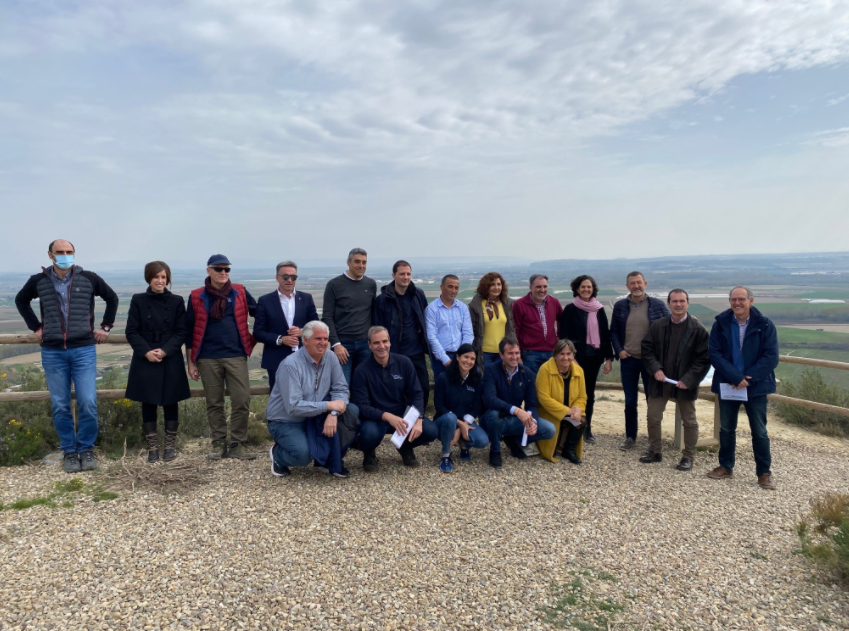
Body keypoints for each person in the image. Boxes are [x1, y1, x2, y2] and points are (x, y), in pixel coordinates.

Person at [15, 239, 119, 473]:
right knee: (60, 404)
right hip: (52, 351)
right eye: (60, 252)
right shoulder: (38, 281)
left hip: (83, 349)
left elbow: (112, 298)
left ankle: (86, 448)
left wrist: (106, 327)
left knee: (88, 401)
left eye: (69, 252)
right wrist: (36, 327)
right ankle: (69, 451)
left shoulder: (89, 278)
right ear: (50, 255)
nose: (65, 255)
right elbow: (21, 300)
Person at [186, 254, 258, 461]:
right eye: (219, 269)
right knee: (214, 402)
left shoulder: (240, 291)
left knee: (242, 399)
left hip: (236, 354)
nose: (224, 273)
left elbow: (259, 312)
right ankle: (219, 444)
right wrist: (190, 362)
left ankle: (236, 444)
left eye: (227, 269)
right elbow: (189, 331)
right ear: (209, 271)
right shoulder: (196, 296)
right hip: (207, 357)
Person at [707, 286, 779, 490]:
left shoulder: (765, 324)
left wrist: (749, 378)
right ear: (729, 301)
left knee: (760, 431)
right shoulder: (721, 324)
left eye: (741, 299)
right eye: (733, 299)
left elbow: (771, 356)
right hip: (729, 383)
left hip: (755, 386)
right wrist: (735, 377)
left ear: (751, 300)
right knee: (727, 428)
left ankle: (764, 473)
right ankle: (725, 466)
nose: (737, 303)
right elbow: (715, 353)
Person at [265, 321, 358, 478]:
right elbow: (293, 407)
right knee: (302, 455)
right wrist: (329, 405)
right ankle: (278, 455)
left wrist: (333, 414)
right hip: (286, 421)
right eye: (318, 339)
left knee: (352, 411)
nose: (323, 343)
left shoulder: (330, 357)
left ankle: (328, 460)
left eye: (325, 339)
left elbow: (341, 389)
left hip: (315, 416)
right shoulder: (291, 365)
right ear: (305, 340)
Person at [124, 261, 192, 463]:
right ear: (149, 278)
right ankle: (153, 447)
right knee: (148, 401)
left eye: (164, 277)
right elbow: (131, 331)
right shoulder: (138, 300)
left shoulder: (178, 301)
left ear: (168, 279)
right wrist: (146, 352)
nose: (160, 281)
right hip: (145, 356)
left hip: (169, 355)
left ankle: (169, 446)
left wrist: (164, 351)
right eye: (156, 277)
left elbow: (182, 331)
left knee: (171, 400)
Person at [639, 289, 710, 471]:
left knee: (690, 421)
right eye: (674, 301)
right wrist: (655, 369)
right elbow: (647, 350)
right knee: (653, 417)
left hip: (685, 384)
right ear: (669, 303)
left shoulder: (698, 330)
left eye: (682, 301)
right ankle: (655, 451)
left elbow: (703, 359)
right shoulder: (657, 326)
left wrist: (689, 379)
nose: (678, 304)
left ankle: (688, 457)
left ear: (687, 303)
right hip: (660, 381)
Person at [351, 326, 438, 472]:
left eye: (385, 341)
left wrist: (419, 418)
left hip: (401, 415)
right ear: (369, 345)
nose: (382, 346)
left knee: (430, 431)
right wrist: (386, 416)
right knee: (368, 435)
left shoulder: (404, 363)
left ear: (390, 342)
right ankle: (369, 452)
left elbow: (416, 393)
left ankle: (405, 446)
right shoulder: (361, 370)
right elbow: (362, 405)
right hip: (375, 418)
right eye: (376, 343)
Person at [609, 271, 670, 451]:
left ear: (645, 283)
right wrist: (619, 350)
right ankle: (630, 437)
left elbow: (671, 323)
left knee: (652, 402)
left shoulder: (657, 305)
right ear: (627, 286)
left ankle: (653, 440)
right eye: (632, 283)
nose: (636, 286)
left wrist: (690, 320)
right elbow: (613, 331)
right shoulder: (620, 306)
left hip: (651, 362)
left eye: (639, 283)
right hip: (629, 360)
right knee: (630, 402)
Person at [481, 336, 556, 469]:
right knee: (494, 415)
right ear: (501, 355)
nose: (514, 357)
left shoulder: (527, 374)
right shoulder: (490, 370)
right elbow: (490, 399)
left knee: (549, 430)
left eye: (517, 353)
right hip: (493, 418)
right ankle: (495, 449)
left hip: (515, 420)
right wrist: (516, 410)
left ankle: (513, 440)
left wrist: (533, 422)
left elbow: (531, 403)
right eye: (510, 353)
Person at [557, 275, 614, 443]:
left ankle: (586, 428)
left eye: (589, 287)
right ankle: (567, 427)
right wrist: (569, 357)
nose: (586, 290)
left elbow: (605, 335)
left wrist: (609, 358)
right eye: (583, 287)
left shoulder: (599, 309)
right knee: (568, 393)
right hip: (574, 359)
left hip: (594, 358)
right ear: (576, 289)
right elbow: (563, 336)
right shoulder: (570, 309)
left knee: (588, 394)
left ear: (593, 289)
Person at [373, 260, 431, 407]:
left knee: (423, 387)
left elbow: (424, 319)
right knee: (396, 390)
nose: (406, 277)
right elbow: (377, 327)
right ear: (394, 275)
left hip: (416, 351)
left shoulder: (418, 294)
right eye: (402, 274)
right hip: (394, 353)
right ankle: (398, 424)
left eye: (408, 274)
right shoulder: (383, 300)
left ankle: (419, 421)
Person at [253, 260, 318, 391]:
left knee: (306, 397)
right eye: (285, 277)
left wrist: (302, 332)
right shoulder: (265, 301)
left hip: (304, 358)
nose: (289, 280)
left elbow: (316, 326)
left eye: (293, 277)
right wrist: (281, 340)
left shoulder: (306, 298)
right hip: (276, 360)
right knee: (278, 401)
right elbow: (258, 332)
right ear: (277, 278)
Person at [322, 248, 377, 385]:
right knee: (341, 386)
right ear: (348, 262)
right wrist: (336, 344)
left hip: (365, 344)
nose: (361, 265)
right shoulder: (334, 284)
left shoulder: (370, 284)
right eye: (357, 261)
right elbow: (327, 316)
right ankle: (341, 408)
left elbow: (372, 313)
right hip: (343, 345)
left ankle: (358, 408)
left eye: (364, 262)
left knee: (363, 386)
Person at [433, 343, 489, 472]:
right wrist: (458, 424)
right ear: (457, 357)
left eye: (472, 359)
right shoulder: (444, 377)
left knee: (482, 440)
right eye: (466, 357)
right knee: (450, 418)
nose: (468, 361)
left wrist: (462, 426)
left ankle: (464, 445)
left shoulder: (476, 379)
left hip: (465, 421)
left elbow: (476, 407)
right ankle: (446, 454)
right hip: (444, 421)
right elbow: (439, 406)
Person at [535, 339, 588, 465]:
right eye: (562, 354)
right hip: (549, 412)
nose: (566, 358)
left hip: (570, 411)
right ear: (555, 355)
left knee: (582, 421)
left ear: (573, 355)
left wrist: (577, 409)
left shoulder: (578, 371)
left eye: (569, 354)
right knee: (550, 450)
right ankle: (550, 445)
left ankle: (568, 450)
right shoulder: (545, 369)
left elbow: (582, 396)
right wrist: (568, 411)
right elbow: (544, 398)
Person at [512, 274, 563, 376]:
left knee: (551, 384)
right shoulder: (519, 305)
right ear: (531, 288)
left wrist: (559, 340)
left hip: (551, 351)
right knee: (532, 384)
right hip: (529, 353)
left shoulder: (554, 302)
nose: (542, 290)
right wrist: (517, 355)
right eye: (538, 287)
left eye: (545, 286)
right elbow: (514, 330)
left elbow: (562, 322)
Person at [425, 274, 473, 381]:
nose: (454, 290)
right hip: (440, 358)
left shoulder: (463, 308)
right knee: (442, 391)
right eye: (450, 287)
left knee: (461, 390)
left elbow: (468, 333)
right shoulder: (432, 309)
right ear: (442, 287)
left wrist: (463, 355)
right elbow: (431, 337)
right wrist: (446, 360)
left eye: (456, 288)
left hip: (460, 356)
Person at [468, 271, 516, 367]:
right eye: (492, 284)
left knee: (502, 380)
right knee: (487, 380)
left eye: (499, 284)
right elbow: (471, 329)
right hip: (485, 353)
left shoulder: (508, 304)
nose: (496, 287)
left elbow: (513, 329)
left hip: (503, 353)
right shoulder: (476, 305)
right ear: (485, 286)